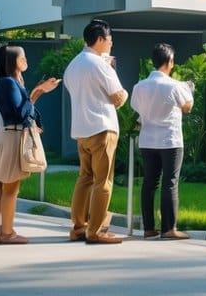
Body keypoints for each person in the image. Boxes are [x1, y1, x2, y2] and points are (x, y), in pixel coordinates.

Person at [63, 20, 129, 244]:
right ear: (100, 39)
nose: (111, 44)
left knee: (85, 178)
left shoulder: (72, 65)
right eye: (109, 40)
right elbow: (118, 97)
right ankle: (96, 230)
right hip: (102, 128)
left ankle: (78, 227)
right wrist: (123, 89)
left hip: (81, 130)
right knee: (103, 181)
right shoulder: (101, 65)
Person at [0, 45, 60, 245]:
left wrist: (37, 91)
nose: (26, 60)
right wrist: (37, 92)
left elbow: (22, 110)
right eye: (23, 57)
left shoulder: (8, 82)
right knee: (10, 188)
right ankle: (7, 233)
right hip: (11, 137)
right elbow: (20, 114)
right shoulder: (9, 83)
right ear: (13, 62)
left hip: (5, 136)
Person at [131, 43, 195, 240]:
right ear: (170, 61)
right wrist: (189, 91)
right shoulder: (175, 85)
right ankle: (169, 228)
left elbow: (136, 108)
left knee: (149, 183)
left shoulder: (139, 86)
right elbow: (187, 107)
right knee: (170, 183)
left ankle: (149, 228)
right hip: (170, 140)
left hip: (147, 139)